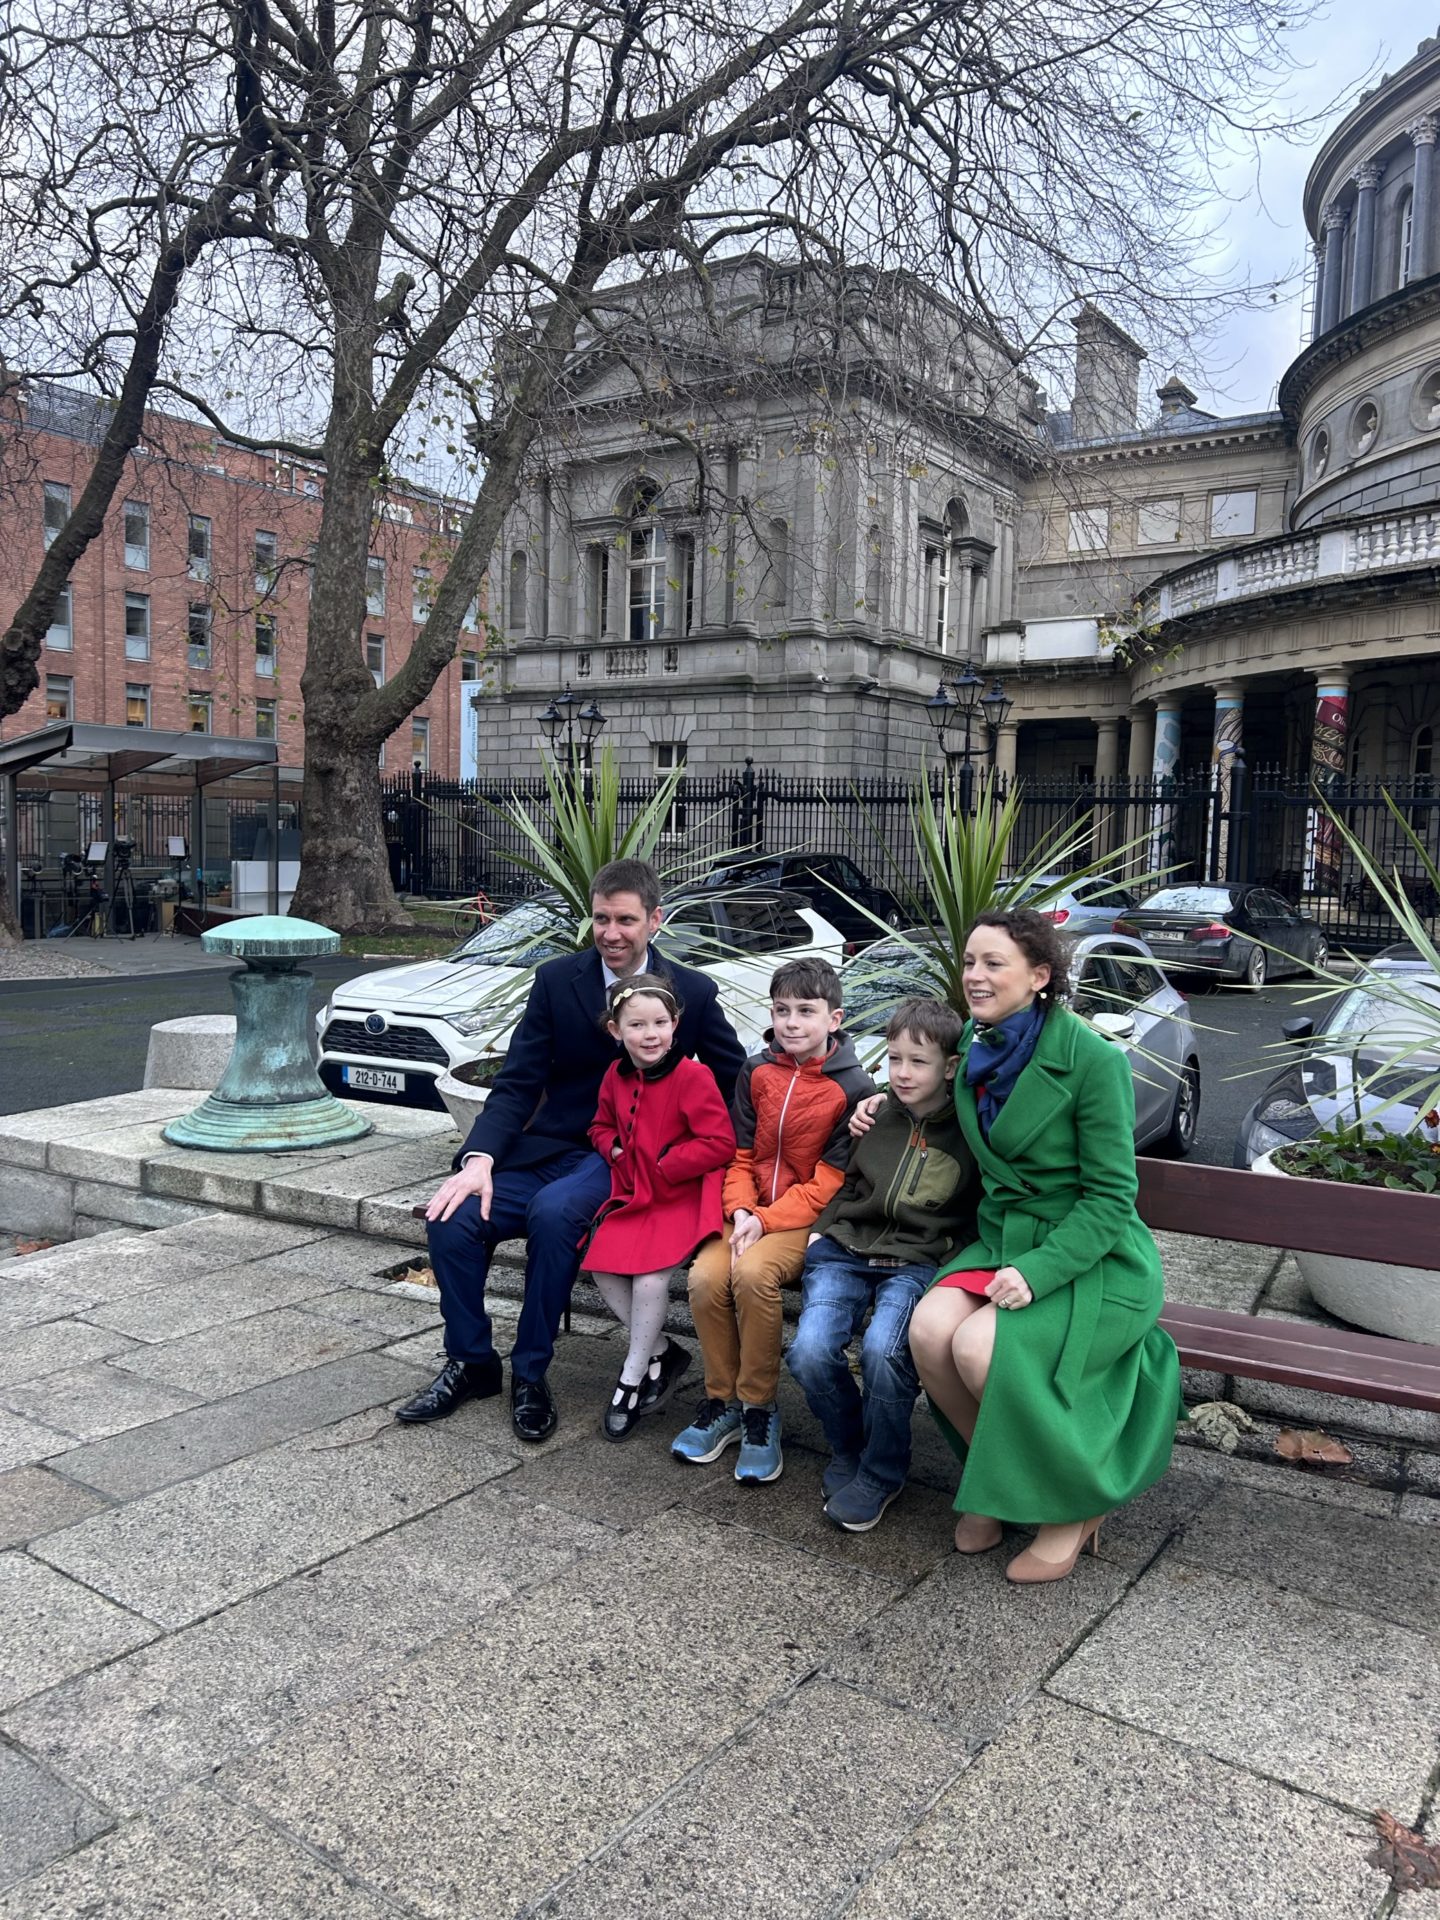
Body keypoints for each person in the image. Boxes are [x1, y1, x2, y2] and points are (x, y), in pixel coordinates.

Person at [400, 858, 746, 1442]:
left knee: (556, 1214)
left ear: (654, 920)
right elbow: (518, 1081)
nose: (611, 933)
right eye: (601, 918)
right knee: (454, 1217)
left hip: (622, 1159)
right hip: (545, 1148)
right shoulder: (557, 980)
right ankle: (471, 1362)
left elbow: (737, 1084)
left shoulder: (690, 992)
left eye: (626, 920)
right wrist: (478, 1159)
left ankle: (530, 1374)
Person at [906, 909, 1182, 1584]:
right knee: (929, 1330)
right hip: (1003, 1237)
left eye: (993, 964)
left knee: (978, 1347)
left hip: (1090, 1254)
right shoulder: (976, 1042)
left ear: (1039, 976)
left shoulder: (1091, 1060)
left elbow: (1112, 1199)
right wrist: (876, 1106)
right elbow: (943, 1113)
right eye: (970, 961)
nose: (974, 975)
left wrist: (1037, 1272)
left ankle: (1072, 1508)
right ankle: (995, 1486)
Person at [672, 957, 876, 1484]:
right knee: (705, 1276)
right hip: (747, 1210)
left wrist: (763, 1220)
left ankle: (760, 1407)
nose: (791, 1022)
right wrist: (741, 1209)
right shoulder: (755, 1070)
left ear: (834, 1018)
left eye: (805, 1011)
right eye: (781, 1010)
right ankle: (724, 1403)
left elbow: (830, 1181)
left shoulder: (853, 1086)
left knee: (753, 1275)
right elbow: (739, 1155)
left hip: (803, 1222)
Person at [785, 997, 975, 1533]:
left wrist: (952, 1256)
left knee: (884, 1353)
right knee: (810, 1350)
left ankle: (881, 1471)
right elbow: (847, 1180)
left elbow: (984, 1204)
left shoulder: (971, 1127)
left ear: (951, 1066)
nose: (903, 1073)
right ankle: (850, 1447)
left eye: (918, 1061)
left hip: (917, 1263)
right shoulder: (875, 1113)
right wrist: (824, 1231)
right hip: (846, 1250)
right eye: (894, 1059)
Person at [583, 976, 736, 1440]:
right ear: (616, 1030)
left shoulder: (694, 1076)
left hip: (679, 1196)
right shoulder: (614, 1075)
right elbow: (600, 1126)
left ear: (675, 1025)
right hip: (635, 1194)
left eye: (660, 1023)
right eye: (637, 1025)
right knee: (601, 1266)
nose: (650, 1034)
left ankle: (631, 1375)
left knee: (650, 1279)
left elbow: (721, 1142)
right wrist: (613, 1151)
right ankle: (662, 1350)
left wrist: (669, 1164)